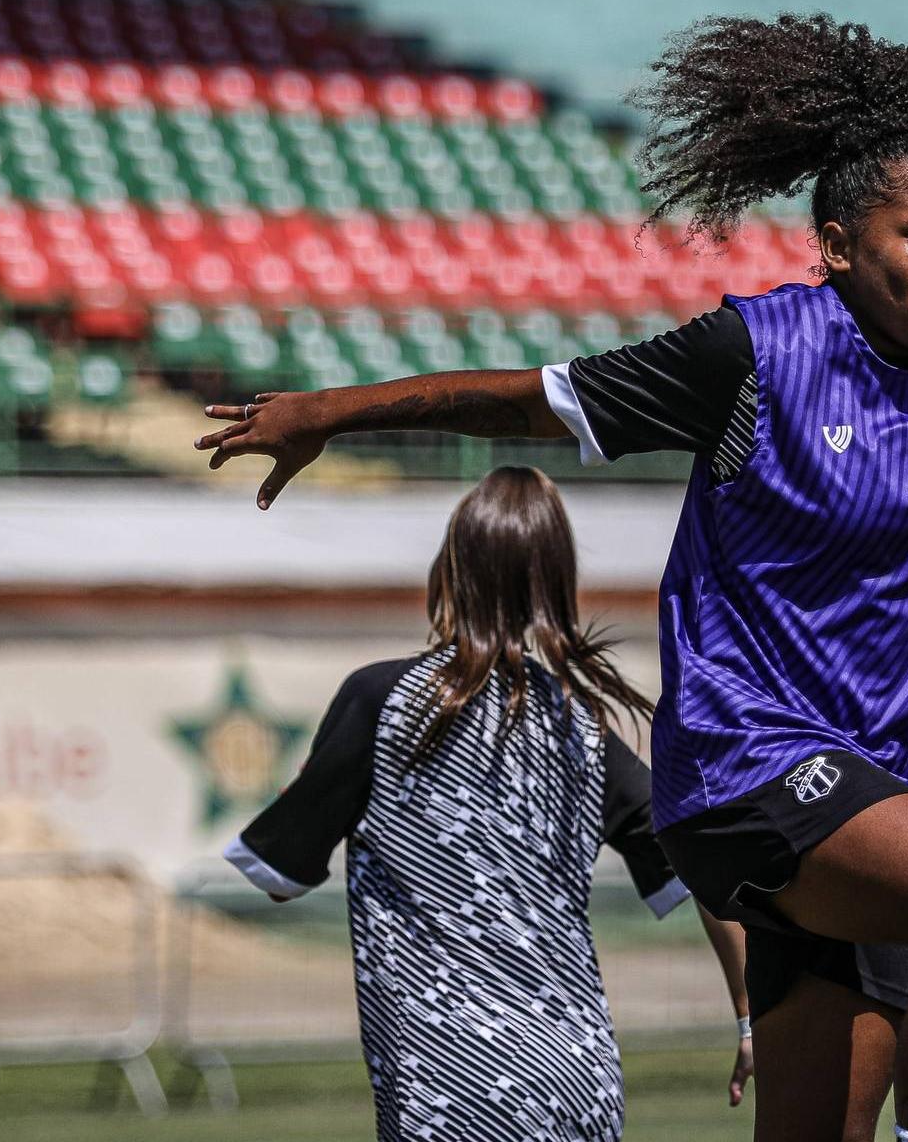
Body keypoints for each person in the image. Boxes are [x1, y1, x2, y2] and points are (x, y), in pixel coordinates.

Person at [196, 14, 908, 1142]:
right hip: (749, 771)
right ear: (840, 247)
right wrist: (326, 413)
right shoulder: (753, 356)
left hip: (894, 803)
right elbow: (527, 400)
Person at [221, 466, 753, 1142]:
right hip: (579, 1079)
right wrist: (748, 1015)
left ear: (450, 570)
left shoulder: (381, 703)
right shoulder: (584, 728)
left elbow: (280, 877)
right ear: (558, 584)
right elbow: (708, 866)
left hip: (449, 1086)